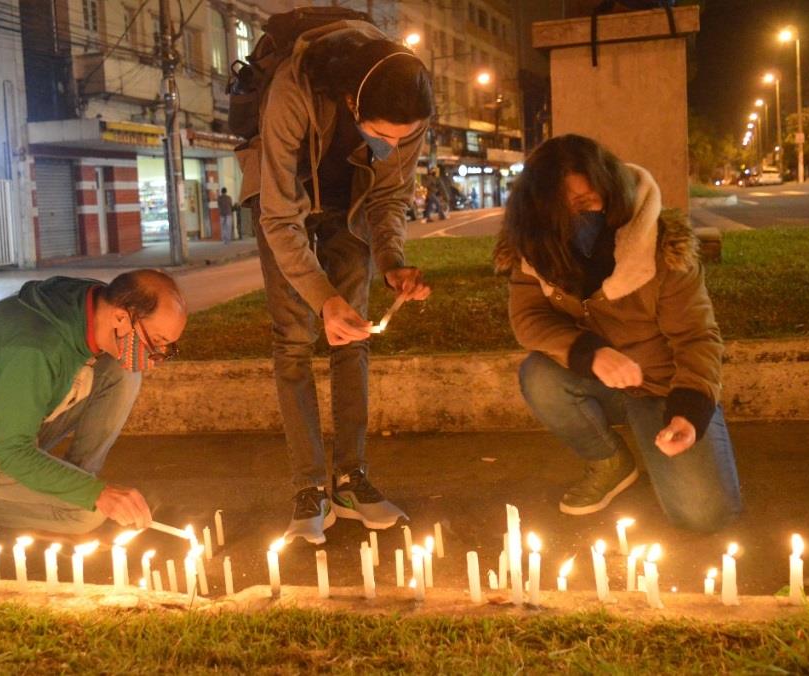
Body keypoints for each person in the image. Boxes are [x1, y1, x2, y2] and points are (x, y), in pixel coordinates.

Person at [237, 20, 433, 544]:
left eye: (404, 138)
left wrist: (392, 259)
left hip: (352, 204)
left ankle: (353, 478)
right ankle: (308, 487)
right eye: (382, 134)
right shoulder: (292, 90)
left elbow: (390, 195)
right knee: (296, 339)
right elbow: (279, 218)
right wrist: (322, 298)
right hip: (282, 198)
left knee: (356, 334)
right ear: (351, 101)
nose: (392, 145)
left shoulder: (409, 106)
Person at [494, 135, 742, 532]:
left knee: (703, 516)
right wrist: (589, 353)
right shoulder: (536, 247)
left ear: (610, 190)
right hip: (597, 380)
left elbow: (698, 337)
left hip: (664, 388)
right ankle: (610, 461)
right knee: (538, 375)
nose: (580, 217)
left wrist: (689, 412)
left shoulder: (662, 246)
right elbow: (529, 319)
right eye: (566, 208)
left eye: (589, 203)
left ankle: (671, 436)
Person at [0, 270, 187, 543]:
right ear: (120, 317)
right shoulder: (36, 349)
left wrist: (86, 489)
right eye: (157, 342)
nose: (158, 357)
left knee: (123, 371)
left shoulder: (94, 302)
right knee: (86, 514)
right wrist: (95, 495)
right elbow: (13, 452)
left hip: (16, 418)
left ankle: (72, 486)